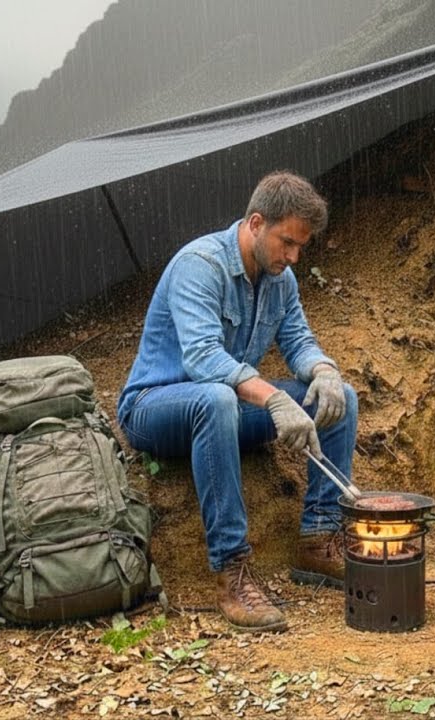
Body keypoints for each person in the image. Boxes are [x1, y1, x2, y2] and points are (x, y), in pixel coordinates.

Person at [117, 171, 357, 633]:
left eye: (300, 247)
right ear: (255, 222)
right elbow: (204, 359)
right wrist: (274, 399)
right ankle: (232, 572)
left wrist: (324, 371)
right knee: (215, 398)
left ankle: (318, 539)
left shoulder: (279, 279)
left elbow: (298, 341)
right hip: (155, 408)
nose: (293, 256)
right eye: (286, 242)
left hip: (222, 405)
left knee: (340, 397)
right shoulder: (200, 264)